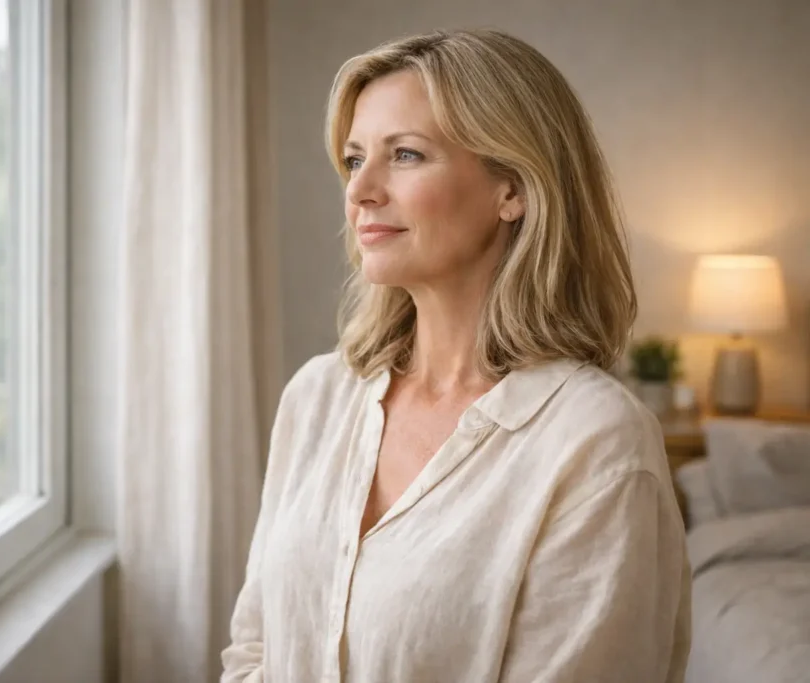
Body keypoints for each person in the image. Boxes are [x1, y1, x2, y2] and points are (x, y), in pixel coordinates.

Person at [221, 28, 690, 683]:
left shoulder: (596, 442)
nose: (360, 192)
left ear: (513, 189)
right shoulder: (316, 397)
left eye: (406, 155)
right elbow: (254, 651)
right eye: (355, 159)